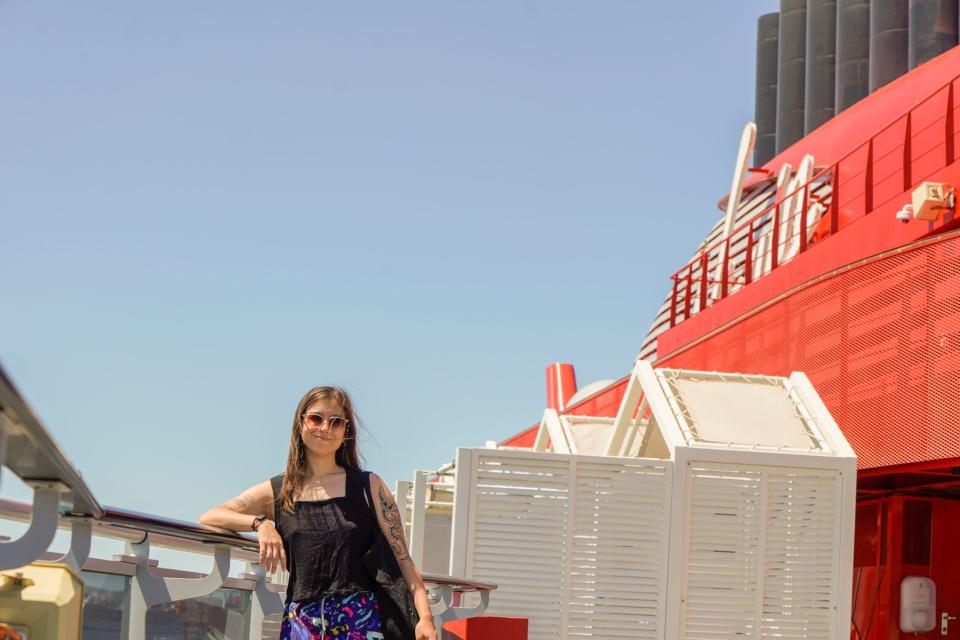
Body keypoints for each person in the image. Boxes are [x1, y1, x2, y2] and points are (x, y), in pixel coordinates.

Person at [198, 386, 437, 640]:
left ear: (346, 432)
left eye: (336, 422)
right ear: (301, 423)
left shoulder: (369, 486)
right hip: (302, 622)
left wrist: (425, 618)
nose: (325, 428)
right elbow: (210, 517)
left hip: (360, 619)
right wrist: (261, 524)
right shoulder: (280, 490)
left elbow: (403, 560)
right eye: (316, 418)